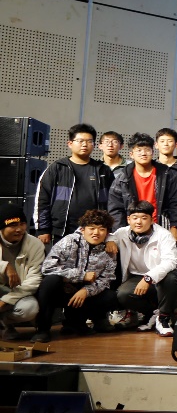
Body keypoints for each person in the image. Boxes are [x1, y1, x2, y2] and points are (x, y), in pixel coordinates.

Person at [33, 209, 117, 342]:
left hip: (84, 293)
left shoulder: (109, 250)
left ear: (107, 232)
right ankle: (43, 329)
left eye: (101, 229)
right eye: (92, 228)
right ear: (83, 229)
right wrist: (81, 276)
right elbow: (47, 267)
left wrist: (86, 291)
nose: (96, 232)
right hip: (62, 289)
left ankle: (76, 323)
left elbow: (106, 279)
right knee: (50, 281)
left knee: (110, 296)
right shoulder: (69, 241)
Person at [110, 200, 177, 336]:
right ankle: (151, 314)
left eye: (144, 218)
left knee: (170, 278)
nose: (139, 222)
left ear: (152, 220)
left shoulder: (164, 235)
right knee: (123, 294)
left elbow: (170, 262)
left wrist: (148, 278)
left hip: (165, 277)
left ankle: (163, 318)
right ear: (128, 219)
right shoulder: (121, 233)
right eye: (135, 218)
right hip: (137, 277)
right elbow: (98, 234)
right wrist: (108, 241)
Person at [35, 124, 116, 246]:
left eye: (89, 141)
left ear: (94, 145)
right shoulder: (57, 168)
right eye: (80, 141)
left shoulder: (103, 170)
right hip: (63, 229)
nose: (85, 144)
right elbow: (42, 200)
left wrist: (110, 232)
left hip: (95, 230)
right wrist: (43, 229)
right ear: (70, 143)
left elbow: (113, 202)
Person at [107, 133, 177, 239]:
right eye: (139, 150)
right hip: (132, 230)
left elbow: (176, 202)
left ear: (153, 152)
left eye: (147, 150)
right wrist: (120, 233)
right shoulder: (122, 178)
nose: (143, 153)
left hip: (161, 228)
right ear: (131, 154)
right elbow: (116, 209)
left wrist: (174, 227)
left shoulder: (166, 174)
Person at [0, 204, 43, 339]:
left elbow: (34, 280)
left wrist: (5, 301)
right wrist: (5, 266)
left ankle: (5, 324)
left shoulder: (35, 244)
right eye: (13, 225)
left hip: (18, 291)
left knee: (29, 309)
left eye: (22, 224)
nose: (19, 229)